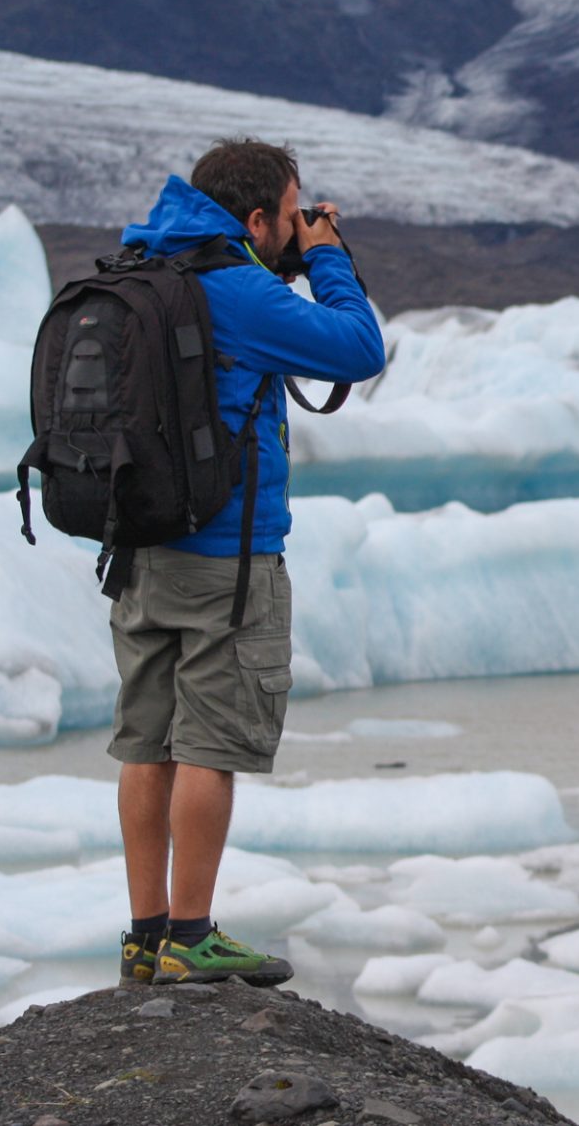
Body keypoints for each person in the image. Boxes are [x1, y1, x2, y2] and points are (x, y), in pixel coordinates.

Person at [110, 138, 386, 986]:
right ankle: (191, 938)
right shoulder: (235, 289)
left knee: (146, 743)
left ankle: (145, 933)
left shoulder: (141, 271)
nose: (299, 225)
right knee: (210, 745)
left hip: (139, 551)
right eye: (291, 211)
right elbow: (357, 349)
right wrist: (330, 256)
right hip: (227, 559)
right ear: (259, 217)